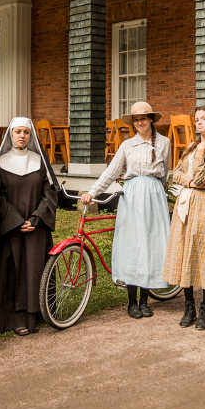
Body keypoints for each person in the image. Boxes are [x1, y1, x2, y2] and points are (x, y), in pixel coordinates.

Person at [80, 101, 171, 318]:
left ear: (151, 119)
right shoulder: (127, 145)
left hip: (154, 195)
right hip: (133, 196)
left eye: (143, 118)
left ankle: (145, 300)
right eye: (136, 119)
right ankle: (131, 301)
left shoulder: (164, 143)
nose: (140, 122)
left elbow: (165, 171)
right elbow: (111, 172)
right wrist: (92, 192)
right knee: (133, 244)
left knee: (150, 244)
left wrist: (158, 191)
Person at [0, 117, 59, 335]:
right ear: (10, 134)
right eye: (17, 132)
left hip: (35, 228)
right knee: (14, 270)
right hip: (11, 228)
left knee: (35, 269)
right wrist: (15, 221)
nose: (22, 136)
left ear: (31, 136)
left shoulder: (40, 162)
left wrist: (37, 219)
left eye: (26, 132)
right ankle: (16, 317)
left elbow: (49, 194)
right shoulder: (0, 163)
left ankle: (36, 314)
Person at [162, 106, 205, 330]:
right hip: (185, 201)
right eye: (196, 119)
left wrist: (198, 160)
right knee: (184, 252)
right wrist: (191, 181)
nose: (199, 122)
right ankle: (189, 306)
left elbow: (201, 176)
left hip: (203, 204)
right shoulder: (192, 145)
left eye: (204, 119)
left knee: (204, 253)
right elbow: (176, 173)